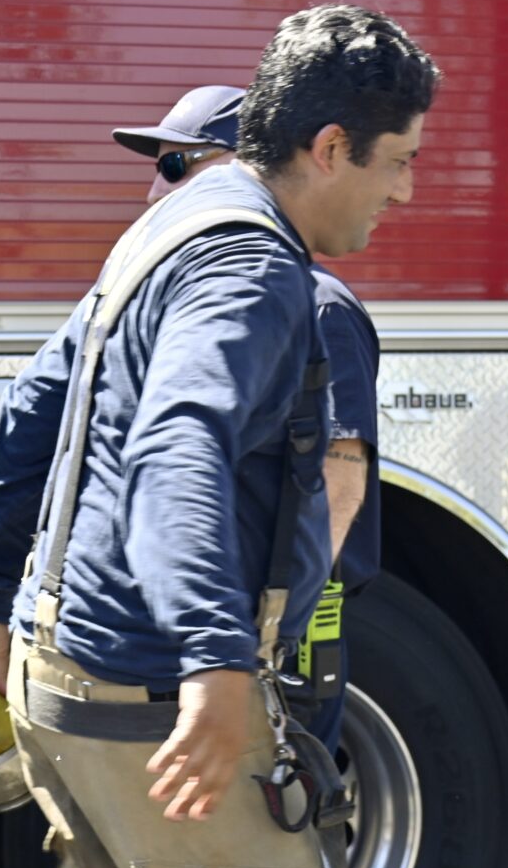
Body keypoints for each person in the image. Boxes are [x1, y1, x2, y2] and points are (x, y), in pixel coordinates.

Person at [0, 3, 439, 868]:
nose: (403, 191)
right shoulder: (255, 270)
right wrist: (216, 662)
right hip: (156, 699)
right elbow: (175, 451)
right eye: (397, 160)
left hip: (64, 684)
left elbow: (37, 403)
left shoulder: (175, 222)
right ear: (331, 148)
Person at [113, 84, 380, 756]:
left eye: (175, 166)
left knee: (273, 806)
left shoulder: (319, 306)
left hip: (272, 649)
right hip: (218, 643)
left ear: (242, 167)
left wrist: (265, 643)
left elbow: (339, 483)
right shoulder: (199, 295)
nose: (154, 191)